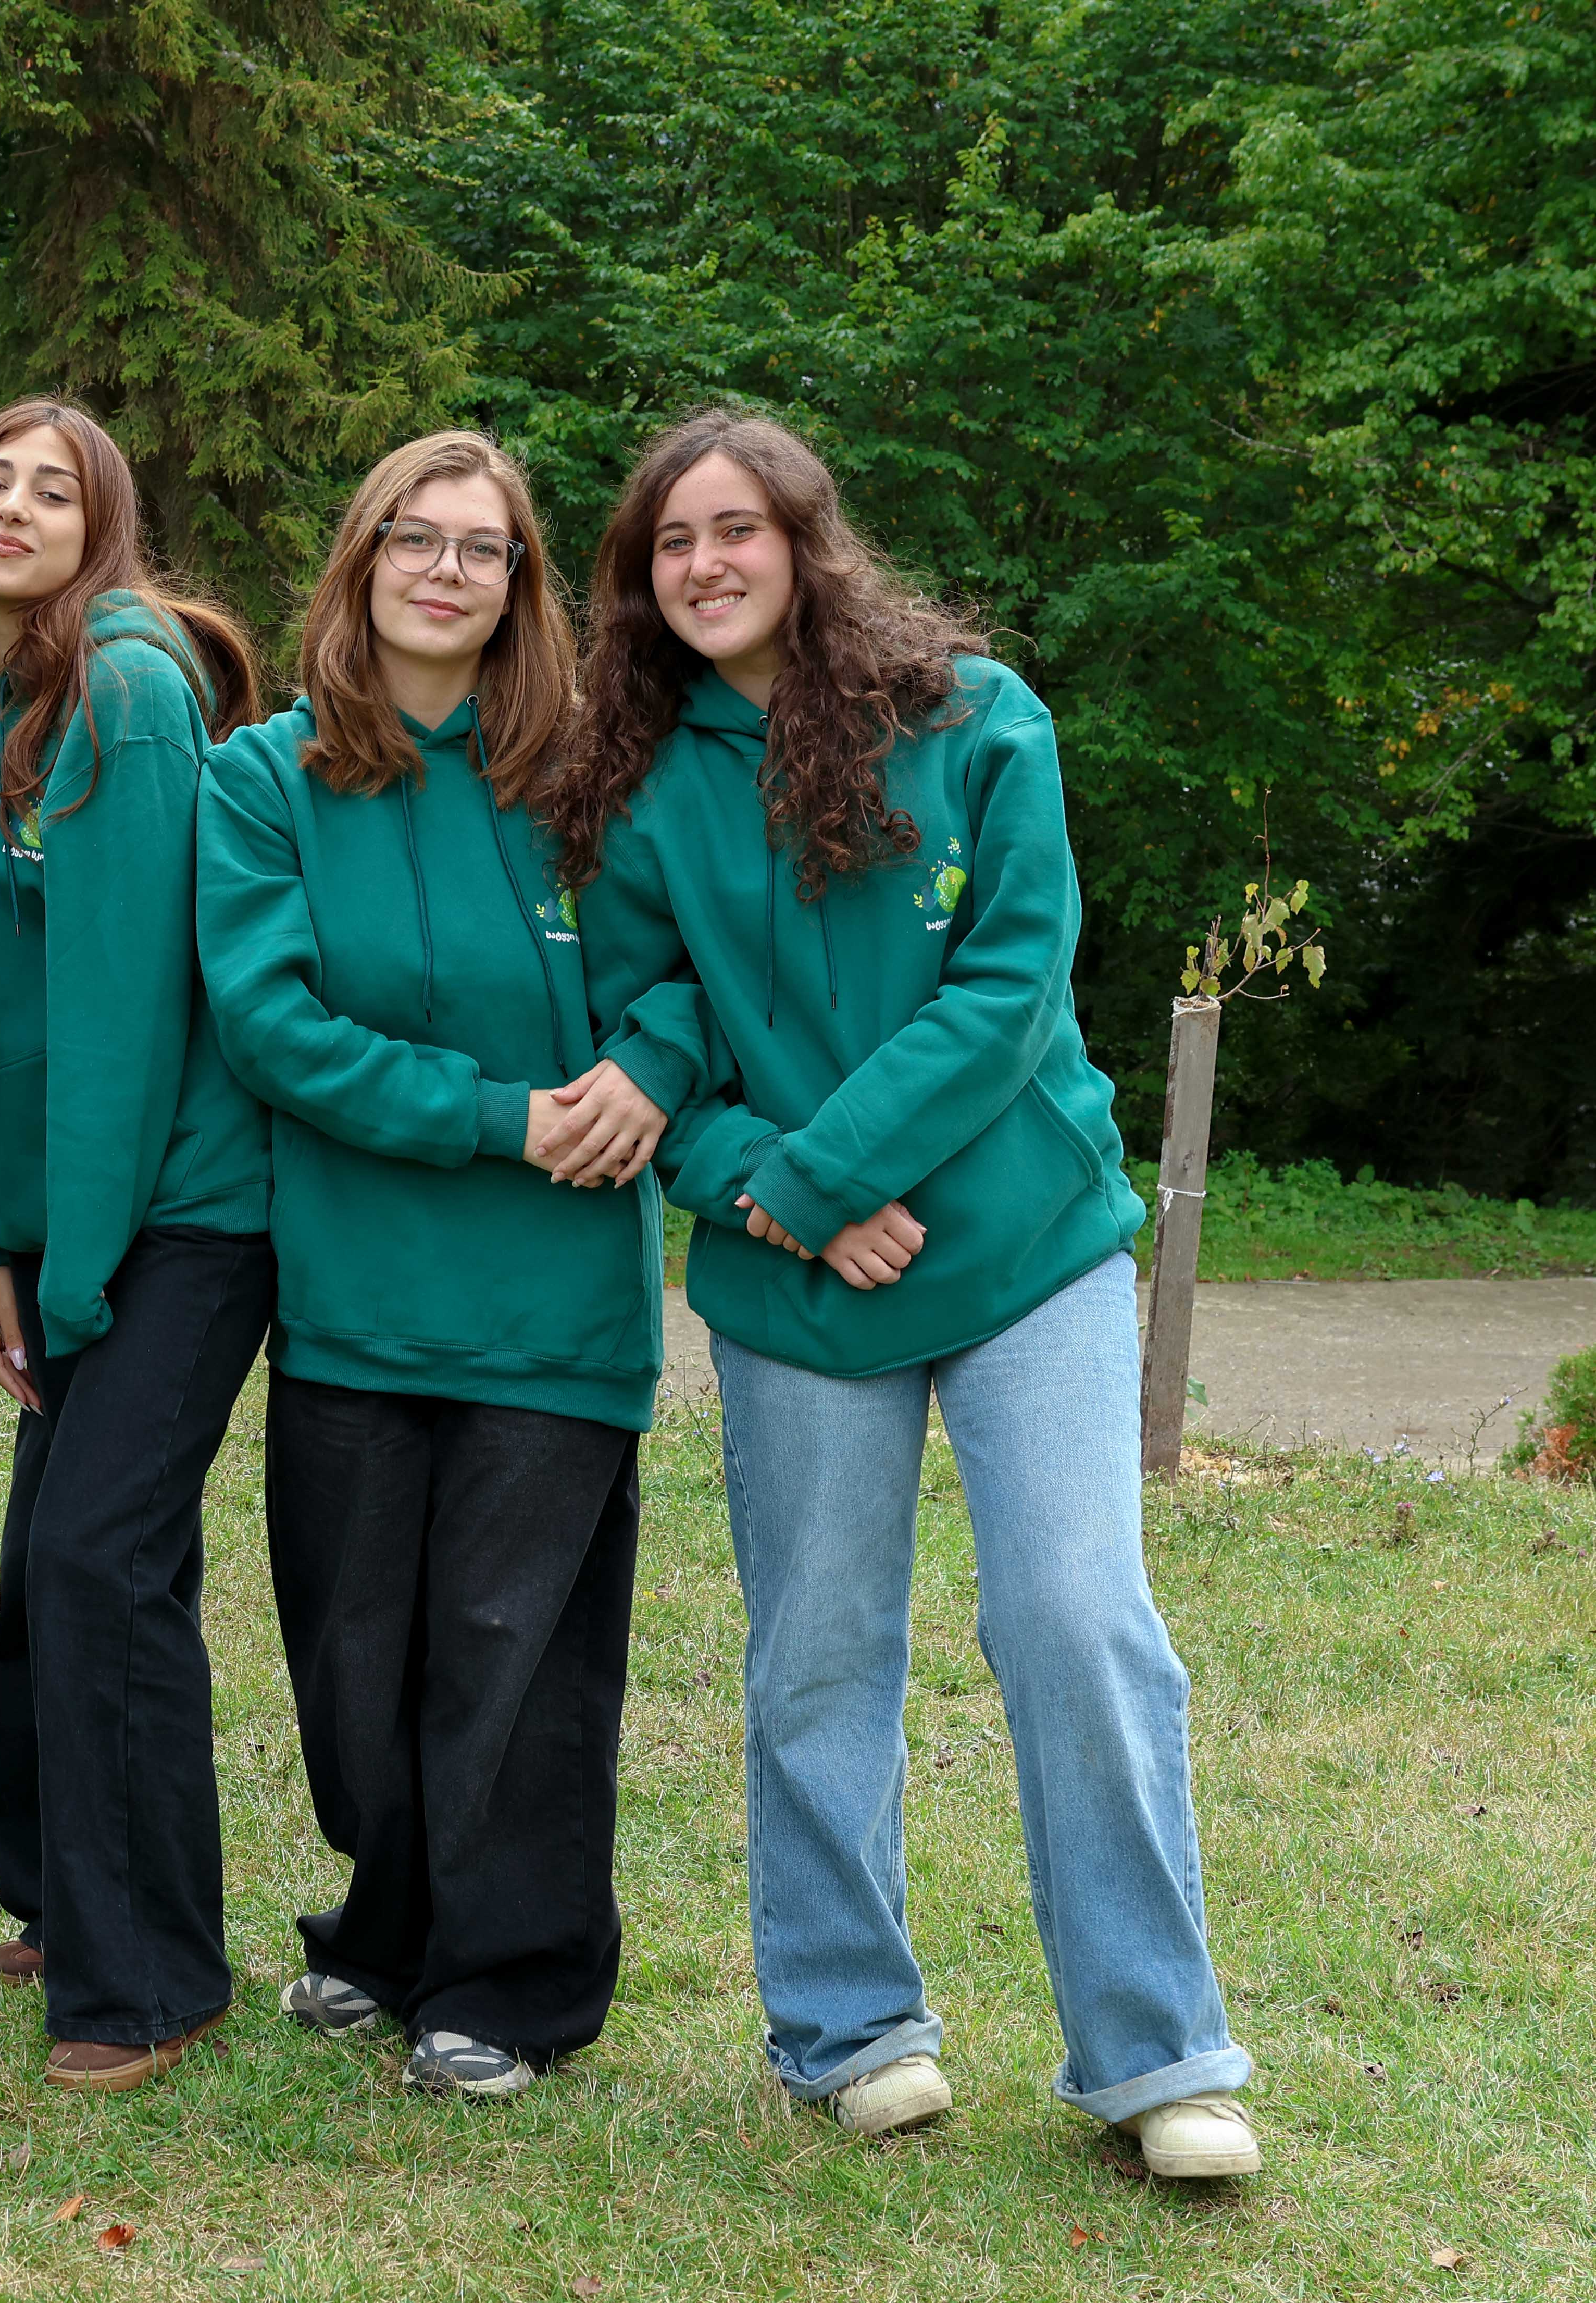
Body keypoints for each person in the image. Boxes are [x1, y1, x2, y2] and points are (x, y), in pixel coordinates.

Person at [556, 406, 1259, 2179]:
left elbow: (1012, 988)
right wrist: (782, 1195)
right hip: (797, 1286)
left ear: (805, 538)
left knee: (1077, 1615)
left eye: (735, 527)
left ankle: (1157, 2054)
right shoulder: (636, 785)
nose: (704, 563)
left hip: (1023, 1249)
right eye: (670, 542)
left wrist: (826, 1174)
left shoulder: (978, 717)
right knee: (818, 1649)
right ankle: (849, 2025)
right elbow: (647, 1047)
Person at [198, 429, 674, 2101]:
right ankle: (389, 1932)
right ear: (363, 557)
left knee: (513, 1656)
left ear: (521, 584)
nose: (447, 570)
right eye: (417, 537)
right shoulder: (265, 779)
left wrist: (654, 1064)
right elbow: (271, 1023)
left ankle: (512, 1982)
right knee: (358, 1659)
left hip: (557, 1299)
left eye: (484, 547)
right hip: (357, 1294)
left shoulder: (591, 776)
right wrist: (499, 1115)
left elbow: (690, 967)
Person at [0, 399, 269, 2091]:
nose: (14, 507)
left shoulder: (123, 689)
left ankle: (149, 1978)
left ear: (101, 532)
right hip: (72, 1221)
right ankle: (66, 1897)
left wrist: (85, 1272)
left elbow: (121, 1014)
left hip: (185, 1210)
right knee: (53, 1579)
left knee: (96, 1561)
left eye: (57, 490)